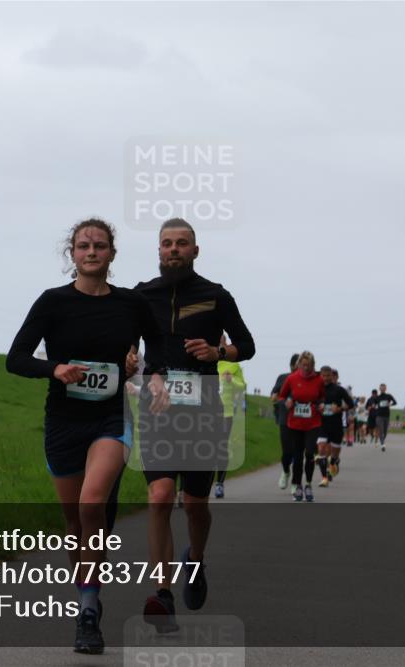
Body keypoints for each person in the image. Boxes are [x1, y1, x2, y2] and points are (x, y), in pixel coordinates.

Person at [6, 219, 168, 654]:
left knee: (92, 502)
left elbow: (158, 349)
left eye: (99, 245)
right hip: (62, 422)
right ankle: (86, 590)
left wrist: (153, 377)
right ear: (72, 254)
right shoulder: (52, 302)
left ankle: (89, 612)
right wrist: (53, 368)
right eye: (83, 246)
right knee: (76, 524)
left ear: (112, 254)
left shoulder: (132, 304)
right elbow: (16, 358)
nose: (91, 251)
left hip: (110, 419)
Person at [133, 218, 255, 631]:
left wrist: (219, 350)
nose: (173, 250)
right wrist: (135, 366)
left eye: (181, 243)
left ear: (195, 251)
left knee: (196, 505)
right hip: (157, 410)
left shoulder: (215, 296)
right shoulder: (142, 295)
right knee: (161, 494)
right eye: (166, 243)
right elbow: (127, 349)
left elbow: (247, 345)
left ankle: (196, 561)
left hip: (202, 413)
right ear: (158, 250)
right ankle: (162, 594)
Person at [277, 352, 325, 501]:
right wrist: (287, 402)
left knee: (310, 453)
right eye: (303, 365)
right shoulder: (292, 378)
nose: (305, 368)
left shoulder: (319, 380)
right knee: (297, 456)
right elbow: (282, 396)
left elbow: (322, 396)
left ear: (313, 365)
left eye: (308, 365)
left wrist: (321, 404)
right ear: (299, 365)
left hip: (313, 423)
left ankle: (308, 485)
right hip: (295, 423)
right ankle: (297, 485)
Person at [214, 337, 246, 499]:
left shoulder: (233, 363)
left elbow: (243, 386)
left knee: (221, 448)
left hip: (225, 413)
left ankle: (219, 483)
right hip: (205, 413)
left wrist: (230, 380)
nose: (220, 343)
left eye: (222, 340)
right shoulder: (204, 359)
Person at [316, 367, 354, 486]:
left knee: (334, 452)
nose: (326, 378)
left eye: (328, 376)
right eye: (323, 376)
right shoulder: (317, 389)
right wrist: (318, 408)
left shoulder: (339, 390)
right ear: (320, 376)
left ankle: (333, 462)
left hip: (336, 425)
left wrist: (340, 409)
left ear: (332, 376)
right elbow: (311, 402)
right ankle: (324, 478)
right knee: (321, 449)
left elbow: (351, 404)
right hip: (322, 424)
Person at [271, 353, 299, 489]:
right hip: (285, 419)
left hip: (301, 421)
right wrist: (275, 397)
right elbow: (274, 394)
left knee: (298, 452)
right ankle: (286, 471)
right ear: (293, 365)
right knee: (287, 452)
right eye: (300, 364)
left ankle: (295, 482)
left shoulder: (308, 380)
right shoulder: (283, 378)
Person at [374, 384, 398, 451]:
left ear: (385, 389)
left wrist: (390, 404)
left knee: (385, 431)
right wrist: (374, 406)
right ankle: (382, 444)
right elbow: (374, 404)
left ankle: (382, 441)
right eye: (381, 388)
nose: (382, 389)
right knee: (381, 430)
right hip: (379, 416)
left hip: (386, 415)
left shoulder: (388, 396)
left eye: (383, 388)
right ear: (379, 389)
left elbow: (395, 402)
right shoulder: (377, 397)